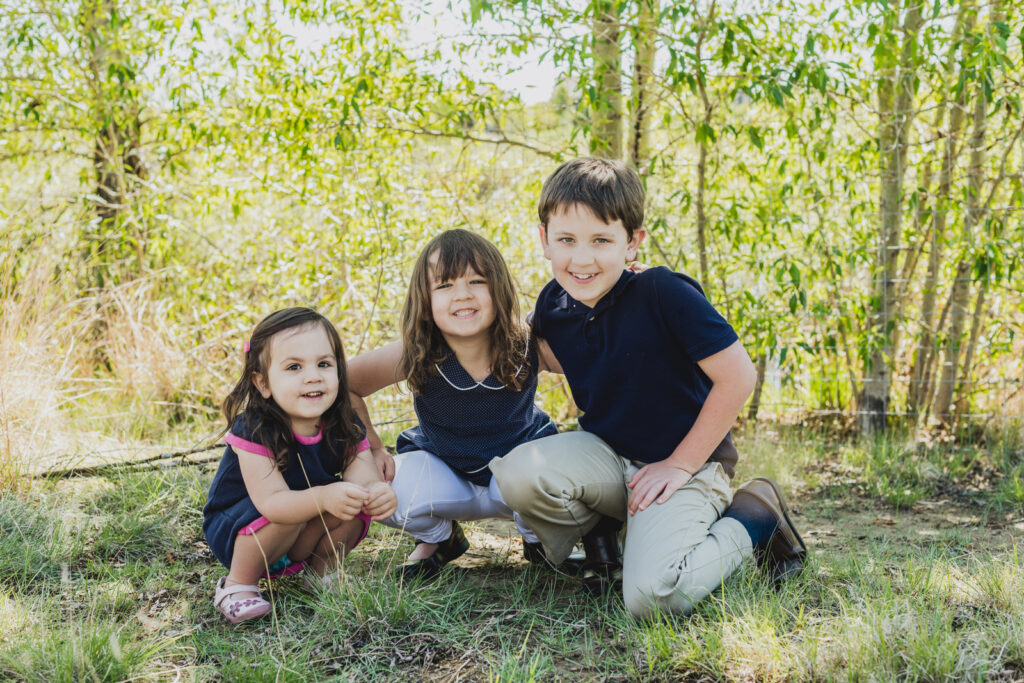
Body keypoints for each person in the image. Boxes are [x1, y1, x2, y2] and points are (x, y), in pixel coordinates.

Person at [489, 158, 807, 618]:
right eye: (566, 240)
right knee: (518, 474)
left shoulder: (663, 292)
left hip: (689, 467)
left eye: (601, 240)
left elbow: (738, 377)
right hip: (609, 459)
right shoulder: (554, 303)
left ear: (633, 242)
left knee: (654, 597)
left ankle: (756, 515)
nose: (581, 258)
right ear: (543, 240)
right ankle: (607, 540)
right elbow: (528, 356)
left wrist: (679, 465)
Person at [348, 229, 567, 582]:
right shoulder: (415, 352)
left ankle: (537, 539)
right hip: (445, 472)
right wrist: (372, 447)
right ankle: (440, 538)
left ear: (499, 288)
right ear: (425, 299)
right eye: (445, 285)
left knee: (552, 474)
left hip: (516, 477)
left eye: (477, 281)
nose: (462, 295)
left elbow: (594, 363)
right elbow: (346, 386)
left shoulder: (528, 343)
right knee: (374, 488)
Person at [203, 307, 397, 623]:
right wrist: (322, 498)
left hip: (298, 529)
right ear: (263, 383)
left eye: (324, 364)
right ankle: (237, 586)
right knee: (290, 511)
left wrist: (376, 491)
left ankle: (321, 575)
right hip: (242, 531)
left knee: (355, 503)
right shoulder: (255, 428)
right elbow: (274, 503)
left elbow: (362, 473)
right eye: (294, 367)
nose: (312, 376)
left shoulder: (343, 423)